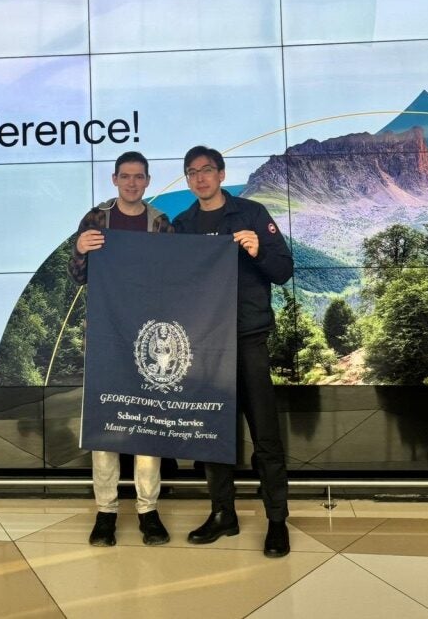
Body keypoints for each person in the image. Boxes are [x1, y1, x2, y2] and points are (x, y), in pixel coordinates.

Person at [173, 145, 293, 557]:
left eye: (207, 170)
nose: (200, 178)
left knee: (266, 436)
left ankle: (277, 521)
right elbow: (174, 285)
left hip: (249, 339)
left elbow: (284, 271)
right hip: (205, 346)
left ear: (222, 174)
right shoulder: (182, 225)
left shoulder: (252, 214)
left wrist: (258, 250)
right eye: (192, 172)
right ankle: (223, 514)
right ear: (187, 179)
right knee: (212, 437)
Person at [69, 150, 173, 547]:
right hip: (106, 336)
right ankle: (106, 512)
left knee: (147, 423)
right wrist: (80, 249)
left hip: (149, 336)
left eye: (139, 177)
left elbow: (174, 278)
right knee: (105, 425)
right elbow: (78, 277)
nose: (131, 183)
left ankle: (148, 510)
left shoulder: (160, 223)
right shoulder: (96, 219)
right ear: (114, 179)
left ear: (147, 181)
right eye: (125, 176)